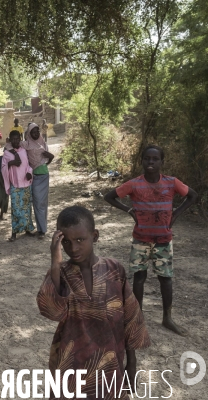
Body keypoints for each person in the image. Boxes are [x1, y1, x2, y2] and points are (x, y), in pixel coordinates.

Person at [37, 206, 150, 399]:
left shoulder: (115, 270)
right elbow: (52, 311)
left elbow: (131, 318)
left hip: (110, 365)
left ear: (95, 236)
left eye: (80, 240)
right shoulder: (60, 274)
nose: (73, 248)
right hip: (70, 368)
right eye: (66, 242)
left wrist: (131, 363)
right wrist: (55, 261)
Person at [104, 145, 198, 336]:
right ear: (142, 161)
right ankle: (137, 318)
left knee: (166, 279)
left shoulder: (171, 183)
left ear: (162, 162)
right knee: (139, 278)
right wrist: (129, 211)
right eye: (147, 158)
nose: (151, 162)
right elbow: (109, 196)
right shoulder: (134, 184)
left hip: (164, 240)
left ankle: (167, 318)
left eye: (155, 159)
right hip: (141, 240)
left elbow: (192, 196)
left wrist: (176, 213)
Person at [21, 123, 54, 238]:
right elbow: (12, 146)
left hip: (44, 175)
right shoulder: (26, 144)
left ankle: (42, 230)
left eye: (37, 131)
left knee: (41, 203)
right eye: (33, 132)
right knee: (37, 203)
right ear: (29, 133)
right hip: (34, 177)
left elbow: (48, 159)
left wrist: (50, 157)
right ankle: (41, 228)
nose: (36, 133)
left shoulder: (42, 142)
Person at [2, 130, 35, 242]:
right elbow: (3, 167)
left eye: (18, 138)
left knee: (26, 208)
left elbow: (28, 165)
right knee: (16, 209)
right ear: (10, 140)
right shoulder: (7, 153)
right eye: (13, 139)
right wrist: (11, 163)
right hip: (15, 184)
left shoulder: (24, 151)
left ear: (20, 139)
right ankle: (14, 232)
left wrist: (29, 173)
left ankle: (27, 229)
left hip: (25, 183)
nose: (16, 141)